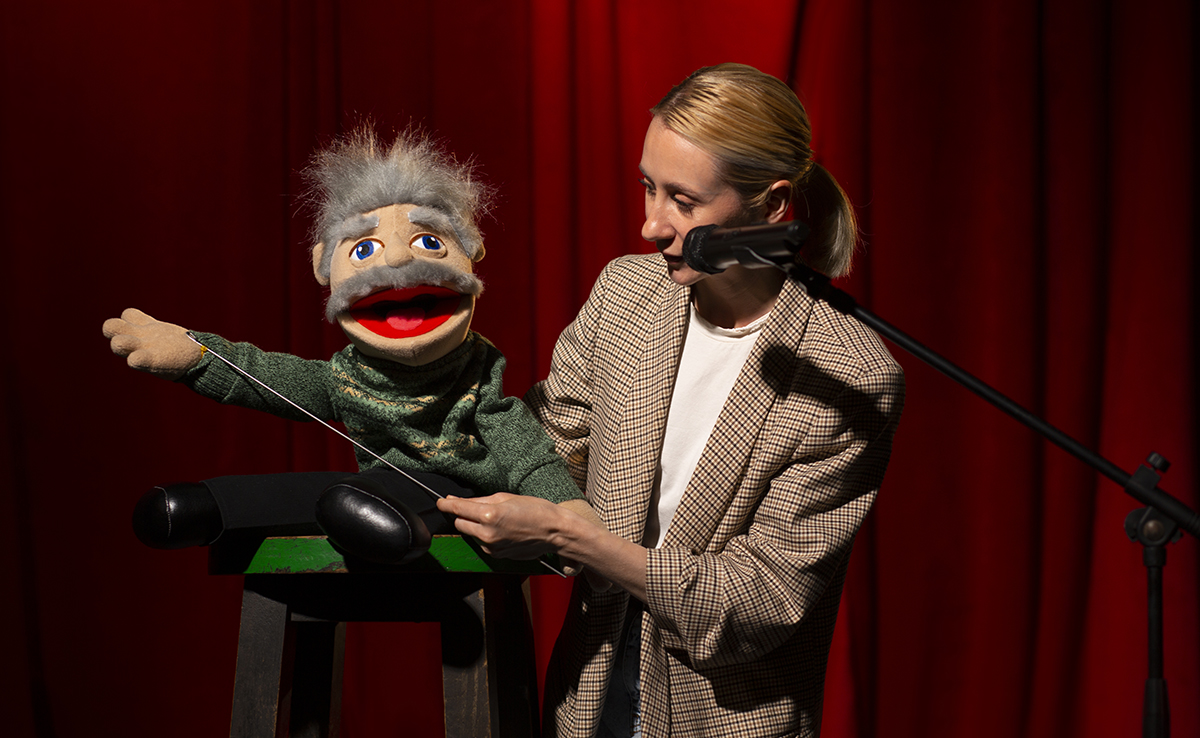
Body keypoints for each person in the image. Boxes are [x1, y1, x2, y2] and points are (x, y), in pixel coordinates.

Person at [438, 63, 905, 738]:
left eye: (684, 202)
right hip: (591, 692)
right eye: (648, 188)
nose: (651, 225)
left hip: (724, 715)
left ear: (773, 205)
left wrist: (573, 537)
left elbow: (759, 604)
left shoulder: (847, 375)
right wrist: (426, 395)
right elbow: (550, 452)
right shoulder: (626, 295)